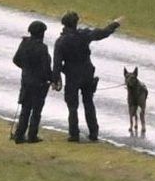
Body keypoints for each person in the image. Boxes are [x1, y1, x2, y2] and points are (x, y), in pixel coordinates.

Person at [52, 11, 122, 142]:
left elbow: (56, 63)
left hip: (72, 75)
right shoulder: (84, 35)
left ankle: (74, 134)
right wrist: (115, 24)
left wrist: (56, 79)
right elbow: (102, 33)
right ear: (76, 22)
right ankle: (93, 133)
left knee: (72, 106)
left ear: (64, 24)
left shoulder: (61, 42)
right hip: (87, 72)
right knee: (89, 102)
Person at [12, 20, 53, 144]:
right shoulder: (42, 48)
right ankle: (32, 135)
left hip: (26, 81)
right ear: (41, 33)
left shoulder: (24, 43)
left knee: (25, 109)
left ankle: (19, 135)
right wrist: (51, 79)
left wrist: (25, 69)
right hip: (39, 84)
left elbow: (16, 59)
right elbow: (46, 68)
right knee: (36, 111)